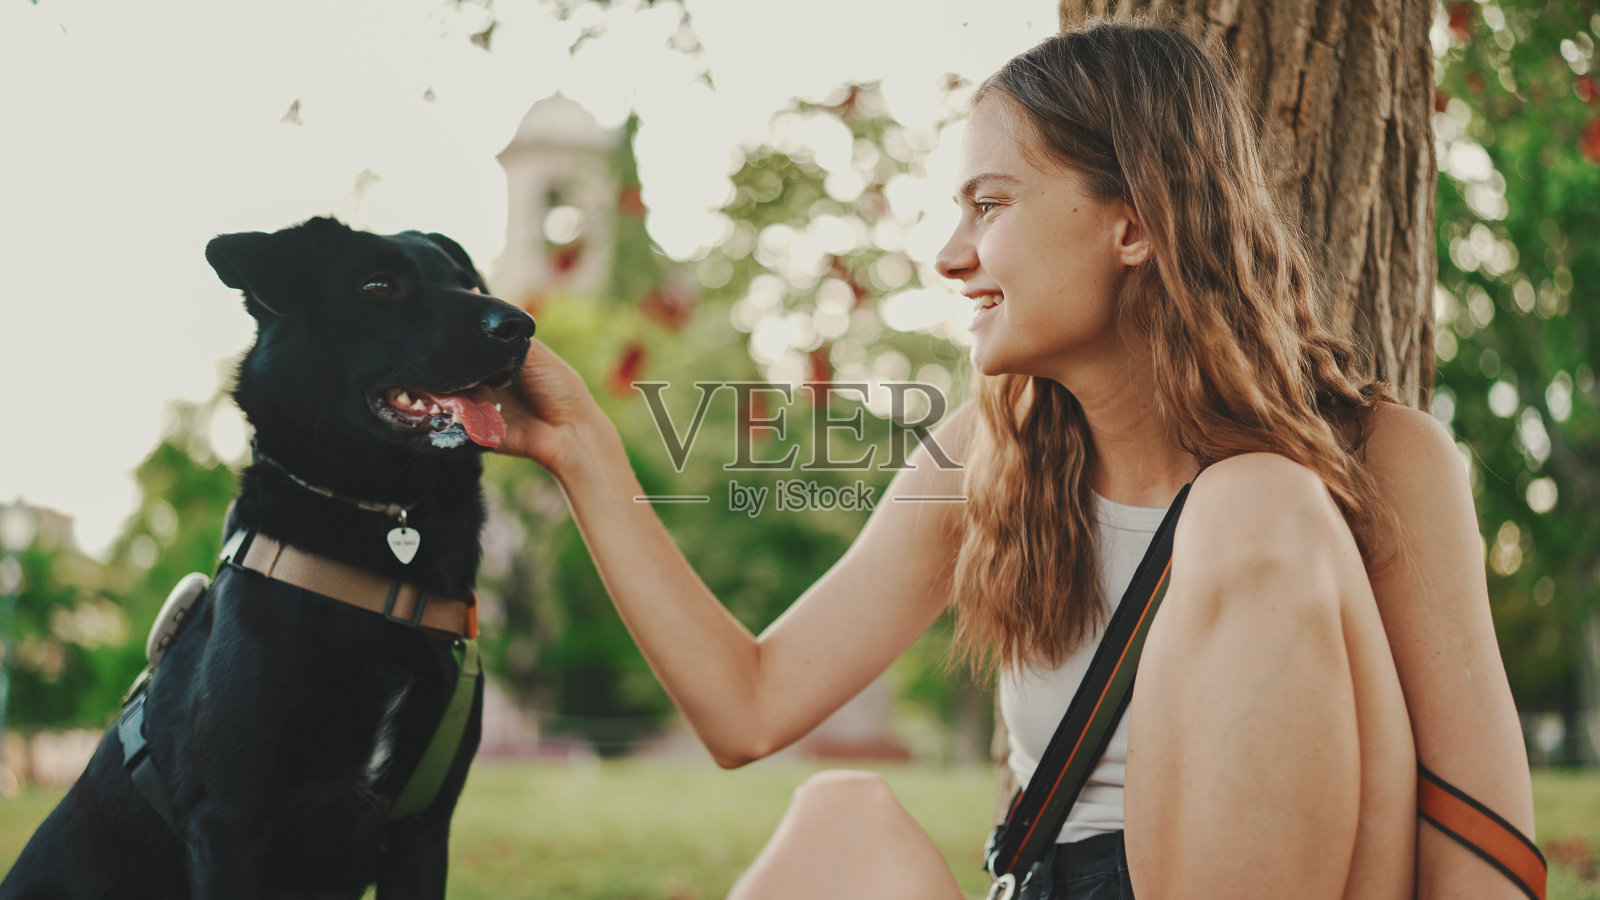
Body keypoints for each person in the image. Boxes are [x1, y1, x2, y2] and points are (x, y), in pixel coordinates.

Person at [492, 19, 1535, 900]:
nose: (950, 255)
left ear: (1132, 226)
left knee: (1253, 501)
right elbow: (748, 706)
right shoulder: (987, 451)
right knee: (840, 818)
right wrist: (581, 446)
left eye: (987, 206)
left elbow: (1481, 845)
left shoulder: (1378, 456)